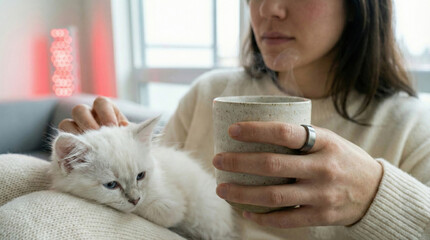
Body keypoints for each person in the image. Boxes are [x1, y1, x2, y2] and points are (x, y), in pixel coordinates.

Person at [1, 0, 429, 239]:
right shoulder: (210, 92)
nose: (269, 8)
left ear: (359, 6)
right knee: (9, 173)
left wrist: (375, 196)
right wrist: (88, 155)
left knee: (29, 222)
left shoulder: (413, 127)